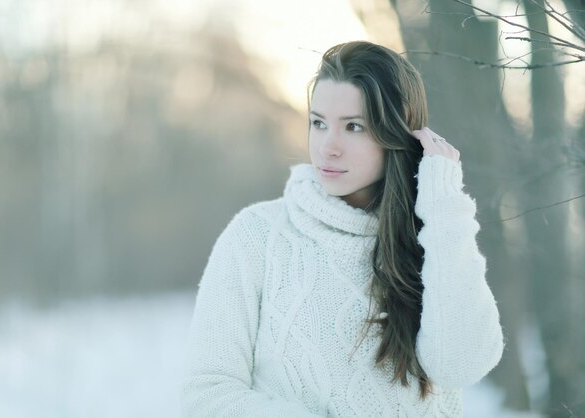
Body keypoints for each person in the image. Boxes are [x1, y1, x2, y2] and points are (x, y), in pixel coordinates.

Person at [180, 41, 504, 417]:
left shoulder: (436, 236)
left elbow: (460, 366)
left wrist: (446, 207)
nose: (327, 147)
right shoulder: (256, 237)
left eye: (353, 127)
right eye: (318, 123)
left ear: (397, 135)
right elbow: (208, 394)